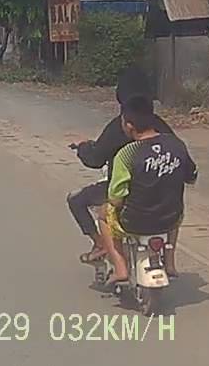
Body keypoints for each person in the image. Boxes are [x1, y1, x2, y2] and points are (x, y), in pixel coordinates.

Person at [67, 68, 176, 265]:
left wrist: (83, 147)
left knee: (77, 200)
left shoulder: (121, 127)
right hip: (163, 201)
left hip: (128, 199)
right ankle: (170, 261)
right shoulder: (161, 127)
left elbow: (95, 159)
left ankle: (101, 245)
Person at [103, 94, 198, 285]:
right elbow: (191, 177)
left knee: (103, 214)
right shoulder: (176, 145)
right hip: (169, 219)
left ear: (129, 126)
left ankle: (120, 267)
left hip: (134, 222)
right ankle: (169, 262)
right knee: (176, 209)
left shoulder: (126, 154)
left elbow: (116, 198)